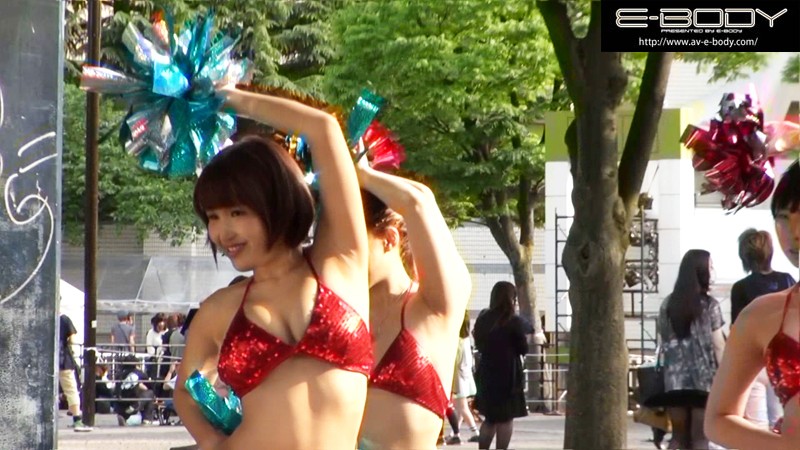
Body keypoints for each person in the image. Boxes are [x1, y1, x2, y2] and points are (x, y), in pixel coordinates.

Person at [174, 85, 371, 449]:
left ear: (277, 200)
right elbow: (186, 390)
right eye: (213, 217)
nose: (222, 232)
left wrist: (225, 96)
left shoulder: (341, 262)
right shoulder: (219, 310)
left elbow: (324, 127)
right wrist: (212, 443)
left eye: (237, 213)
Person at [356, 166, 471, 449]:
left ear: (389, 239)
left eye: (351, 243)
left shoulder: (434, 307)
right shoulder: (339, 316)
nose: (339, 255)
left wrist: (361, 173)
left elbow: (419, 201)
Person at [705, 161, 800, 450]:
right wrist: (784, 447)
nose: (794, 232)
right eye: (783, 218)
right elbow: (719, 419)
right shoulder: (762, 315)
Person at [656, 249, 724, 449]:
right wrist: (725, 376)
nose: (712, 271)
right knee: (700, 438)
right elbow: (718, 345)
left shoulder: (667, 305)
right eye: (710, 266)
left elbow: (663, 340)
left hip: (674, 382)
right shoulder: (710, 305)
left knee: (678, 438)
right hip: (703, 382)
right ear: (701, 271)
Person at [731, 229, 795, 429]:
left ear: (744, 256)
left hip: (755, 362)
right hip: (785, 360)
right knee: (782, 422)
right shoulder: (787, 281)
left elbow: (737, 331)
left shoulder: (740, 288)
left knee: (757, 425)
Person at [473, 281, 529, 450]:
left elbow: (479, 343)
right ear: (511, 299)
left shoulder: (483, 318)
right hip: (508, 374)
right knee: (505, 418)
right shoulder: (513, 320)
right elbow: (523, 348)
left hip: (487, 372)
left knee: (490, 419)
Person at [445, 312, 480, 445]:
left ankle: (475, 432)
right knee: (460, 407)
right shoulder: (466, 340)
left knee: (462, 407)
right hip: (465, 376)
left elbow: (455, 360)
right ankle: (455, 433)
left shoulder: (457, 341)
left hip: (458, 378)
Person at [58, 313, 92, 432]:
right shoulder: (64, 319)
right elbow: (72, 340)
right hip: (63, 360)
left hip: (46, 361)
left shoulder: (43, 317)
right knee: (71, 389)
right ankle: (77, 420)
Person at [115, 355, 157, 426]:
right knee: (150, 393)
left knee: (135, 391)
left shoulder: (119, 374)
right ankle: (147, 419)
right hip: (133, 403)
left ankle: (124, 416)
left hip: (119, 405)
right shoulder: (138, 373)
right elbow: (150, 386)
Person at [145, 313, 167, 394]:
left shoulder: (167, 332)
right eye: (159, 321)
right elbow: (149, 346)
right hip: (155, 361)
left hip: (164, 360)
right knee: (155, 380)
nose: (161, 324)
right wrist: (155, 354)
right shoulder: (151, 333)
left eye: (163, 321)